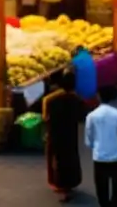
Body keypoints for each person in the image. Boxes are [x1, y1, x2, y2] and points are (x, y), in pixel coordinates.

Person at [42, 70, 85, 202]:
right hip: (70, 133)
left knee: (57, 159)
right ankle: (69, 185)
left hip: (55, 133)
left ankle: (58, 183)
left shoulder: (50, 99)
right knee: (71, 158)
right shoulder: (77, 99)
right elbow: (81, 117)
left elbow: (45, 117)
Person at [85, 85, 117, 207]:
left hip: (99, 156)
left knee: (101, 186)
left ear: (99, 96)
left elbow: (89, 137)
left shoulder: (91, 115)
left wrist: (93, 146)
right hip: (116, 155)